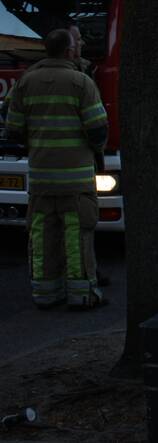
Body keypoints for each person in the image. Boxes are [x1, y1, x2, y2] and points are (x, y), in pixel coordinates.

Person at [5, 29, 108, 308]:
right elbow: (98, 129)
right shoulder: (81, 83)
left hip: (40, 178)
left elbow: (13, 128)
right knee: (76, 235)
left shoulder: (25, 83)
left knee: (42, 236)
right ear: (68, 51)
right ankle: (80, 294)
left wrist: (38, 143)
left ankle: (45, 294)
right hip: (75, 181)